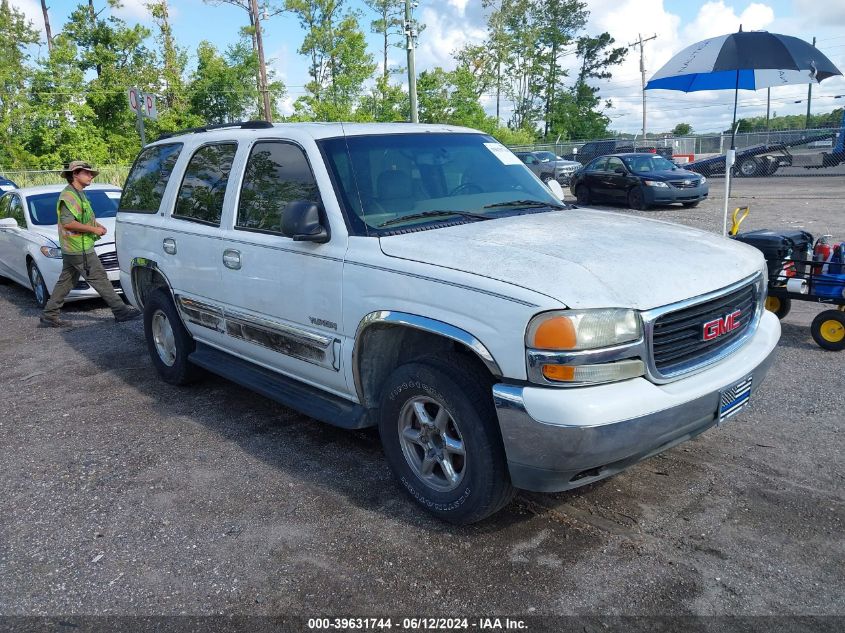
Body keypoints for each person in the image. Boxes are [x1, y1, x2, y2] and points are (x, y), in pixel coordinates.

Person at [40, 161, 141, 327]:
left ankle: (49, 315)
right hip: (78, 248)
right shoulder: (69, 196)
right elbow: (68, 222)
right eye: (87, 173)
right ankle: (121, 311)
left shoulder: (78, 194)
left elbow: (83, 217)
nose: (91, 176)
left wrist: (96, 225)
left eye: (91, 173)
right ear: (75, 174)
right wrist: (93, 230)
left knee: (66, 281)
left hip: (74, 247)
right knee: (100, 278)